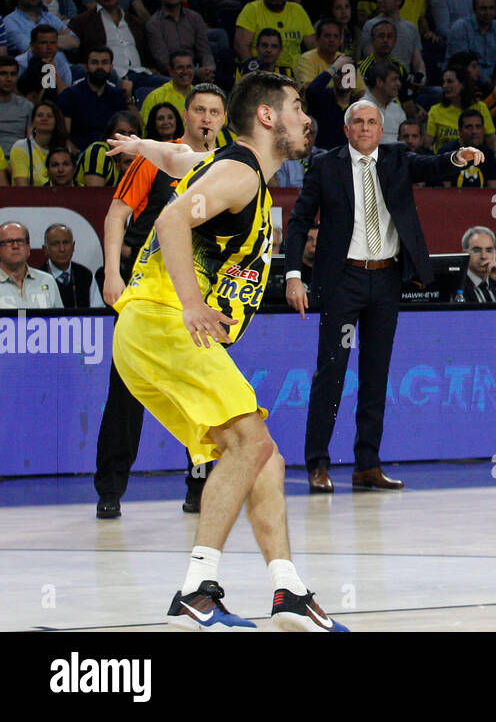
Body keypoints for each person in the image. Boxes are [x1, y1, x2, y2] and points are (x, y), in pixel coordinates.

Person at [105, 73, 350, 630]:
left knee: (261, 455)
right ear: (267, 117)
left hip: (141, 335)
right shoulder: (239, 173)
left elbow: (175, 157)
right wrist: (192, 304)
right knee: (250, 440)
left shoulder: (220, 165)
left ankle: (287, 588)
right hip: (167, 321)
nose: (306, 118)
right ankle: (197, 589)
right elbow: (169, 219)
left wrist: (140, 146)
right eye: (295, 107)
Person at [282, 99, 483, 494]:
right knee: (331, 373)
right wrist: (293, 275)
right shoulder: (326, 166)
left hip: (387, 278)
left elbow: (431, 166)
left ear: (380, 129)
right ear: (346, 130)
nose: (365, 128)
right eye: (357, 122)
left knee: (376, 376)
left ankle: (367, 465)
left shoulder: (396, 158)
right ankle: (318, 464)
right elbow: (300, 220)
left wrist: (457, 157)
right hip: (343, 281)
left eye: (372, 122)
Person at [95, 88, 225, 519]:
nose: (206, 118)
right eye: (199, 110)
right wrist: (113, 273)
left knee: (203, 394)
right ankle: (110, 489)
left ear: (224, 119)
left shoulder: (230, 166)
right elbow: (117, 214)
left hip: (200, 300)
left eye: (214, 112)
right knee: (127, 391)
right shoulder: (155, 156)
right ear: (186, 114)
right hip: (148, 295)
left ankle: (199, 487)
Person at [39, 223, 103, 309]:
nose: (62, 249)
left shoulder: (85, 275)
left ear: (73, 246)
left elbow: (99, 312)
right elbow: (25, 314)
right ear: (45, 249)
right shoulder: (37, 278)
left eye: (66, 243)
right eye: (55, 244)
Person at [0, 221, 62, 309]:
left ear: (28, 248)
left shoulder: (47, 280)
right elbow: (22, 316)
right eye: (9, 242)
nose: (15, 246)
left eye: (20, 241)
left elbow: (61, 320)